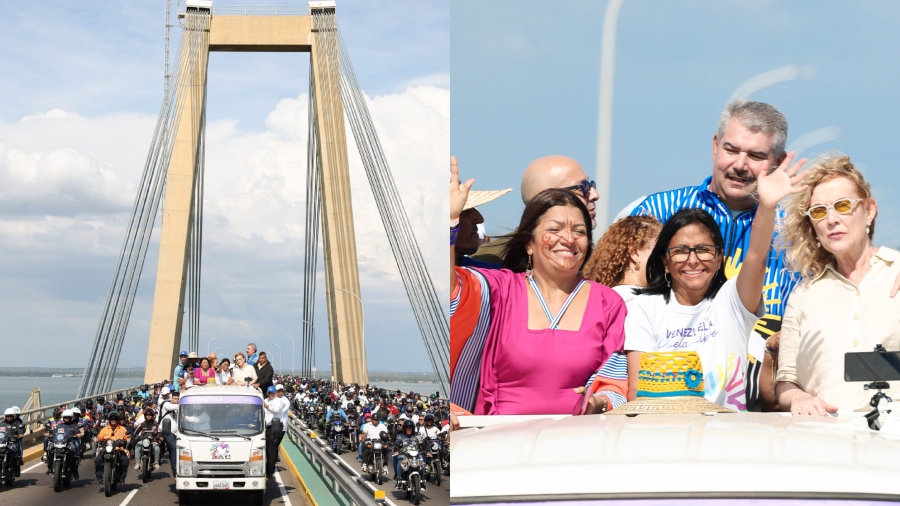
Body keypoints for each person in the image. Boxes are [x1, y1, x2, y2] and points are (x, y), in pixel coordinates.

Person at [623, 149, 807, 409]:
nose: (693, 260)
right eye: (679, 251)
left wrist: (766, 206)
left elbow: (756, 257)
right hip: (663, 429)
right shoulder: (643, 308)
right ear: (664, 261)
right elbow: (636, 390)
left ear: (720, 258)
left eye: (704, 250)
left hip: (725, 435)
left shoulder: (733, 302)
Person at [450, 157, 627, 415]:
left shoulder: (608, 302)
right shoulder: (501, 289)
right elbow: (451, 289)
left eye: (579, 231)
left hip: (577, 440)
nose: (568, 239)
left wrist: (598, 402)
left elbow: (617, 381)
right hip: (496, 440)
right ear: (529, 243)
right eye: (554, 229)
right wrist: (450, 223)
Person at [774, 154, 900, 415]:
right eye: (819, 211)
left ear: (869, 210)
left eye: (842, 205)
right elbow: (786, 381)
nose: (831, 219)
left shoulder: (896, 271)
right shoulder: (803, 295)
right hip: (828, 442)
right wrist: (798, 398)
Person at [471, 155, 600, 266]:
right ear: (546, 198)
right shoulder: (490, 262)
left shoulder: (604, 261)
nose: (595, 195)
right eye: (583, 187)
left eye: (591, 185)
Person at [582, 215, 662, 306]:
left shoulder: (601, 300)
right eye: (660, 250)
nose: (666, 260)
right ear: (635, 252)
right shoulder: (642, 303)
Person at [94, 412, 129, 484]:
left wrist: (127, 439)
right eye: (112, 419)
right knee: (98, 459)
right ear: (109, 420)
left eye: (115, 419)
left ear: (117, 420)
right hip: (106, 450)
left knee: (125, 460)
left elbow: (127, 437)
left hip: (119, 450)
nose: (113, 420)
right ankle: (99, 477)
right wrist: (97, 439)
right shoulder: (105, 429)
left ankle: (122, 477)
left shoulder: (122, 429)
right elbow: (99, 437)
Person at [393, 419, 426, 490]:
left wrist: (425, 450)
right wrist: (396, 451)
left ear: (413, 429)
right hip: (404, 454)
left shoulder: (417, 436)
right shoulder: (400, 436)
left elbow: (421, 444)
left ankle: (422, 481)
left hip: (416, 455)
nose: (409, 430)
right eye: (407, 428)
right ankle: (399, 480)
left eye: (410, 428)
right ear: (404, 429)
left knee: (422, 462)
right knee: (400, 461)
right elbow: (396, 446)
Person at [130, 408, 160, 472]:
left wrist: (159, 436)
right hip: (143, 440)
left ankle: (156, 463)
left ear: (152, 416)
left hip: (153, 441)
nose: (148, 416)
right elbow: (136, 432)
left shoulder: (156, 424)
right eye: (147, 415)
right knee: (137, 447)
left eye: (150, 415)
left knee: (157, 448)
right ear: (145, 416)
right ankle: (137, 463)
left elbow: (160, 432)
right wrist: (135, 436)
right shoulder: (142, 424)